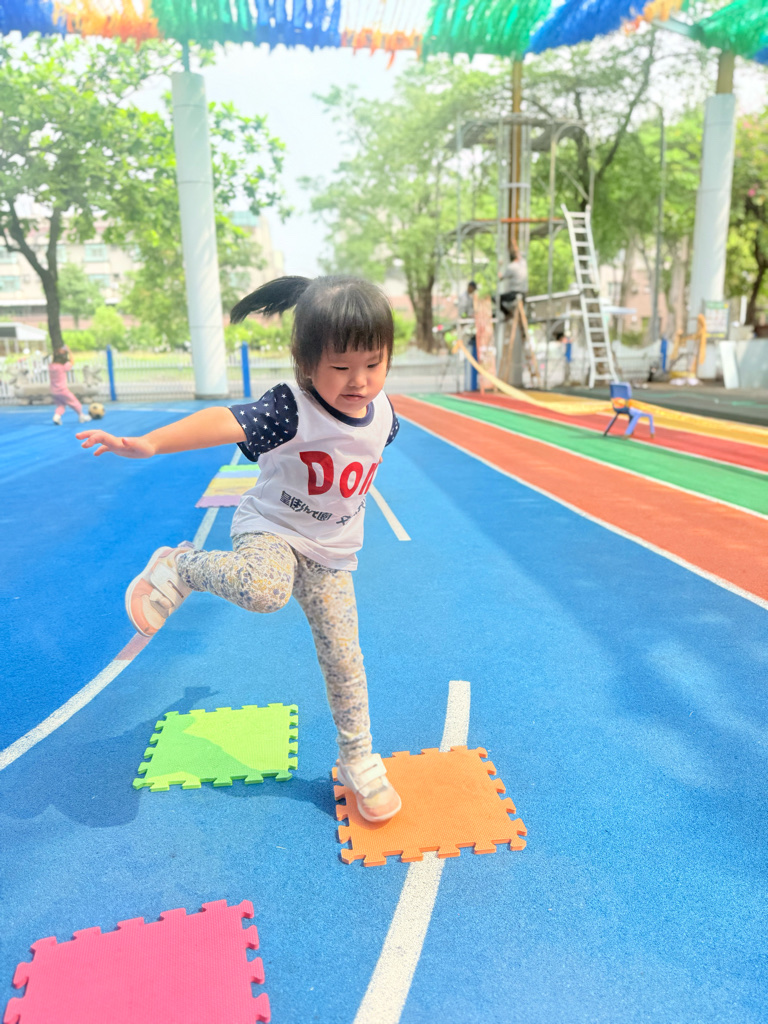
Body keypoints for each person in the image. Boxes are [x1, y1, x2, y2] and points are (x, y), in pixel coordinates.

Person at [77, 275, 402, 824]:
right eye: (341, 366)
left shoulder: (386, 416)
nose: (360, 380)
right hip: (271, 530)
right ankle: (180, 565)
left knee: (346, 660)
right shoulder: (291, 409)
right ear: (306, 363)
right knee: (265, 589)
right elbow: (224, 420)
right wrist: (151, 442)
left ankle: (358, 759)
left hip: (330, 554)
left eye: (373, 363)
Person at [48, 345, 91, 425]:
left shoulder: (51, 366)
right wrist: (69, 351)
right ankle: (81, 415)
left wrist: (57, 352)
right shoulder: (62, 366)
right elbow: (72, 362)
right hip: (62, 390)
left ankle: (56, 417)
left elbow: (54, 358)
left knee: (61, 405)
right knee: (75, 402)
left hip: (54, 391)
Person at [498, 242, 528, 318]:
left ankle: (507, 314)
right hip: (524, 293)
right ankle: (509, 314)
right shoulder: (523, 263)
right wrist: (514, 242)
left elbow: (501, 278)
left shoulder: (511, 267)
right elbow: (518, 253)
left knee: (497, 299)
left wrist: (499, 267)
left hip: (514, 294)